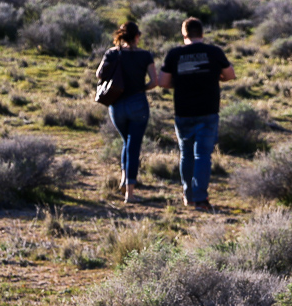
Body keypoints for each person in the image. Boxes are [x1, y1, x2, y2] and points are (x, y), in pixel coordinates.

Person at [158, 17, 235, 210]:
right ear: (202, 33)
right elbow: (230, 75)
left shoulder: (174, 54)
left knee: (186, 154)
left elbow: (163, 81)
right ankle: (201, 199)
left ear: (184, 34)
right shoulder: (214, 52)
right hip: (208, 110)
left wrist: (180, 81)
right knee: (202, 155)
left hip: (183, 111)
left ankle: (188, 196)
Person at [97, 21, 157, 203]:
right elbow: (154, 81)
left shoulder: (112, 53)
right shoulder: (146, 55)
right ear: (137, 36)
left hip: (116, 104)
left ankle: (124, 180)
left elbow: (99, 74)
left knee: (127, 142)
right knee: (133, 145)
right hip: (138, 102)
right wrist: (141, 88)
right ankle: (130, 193)